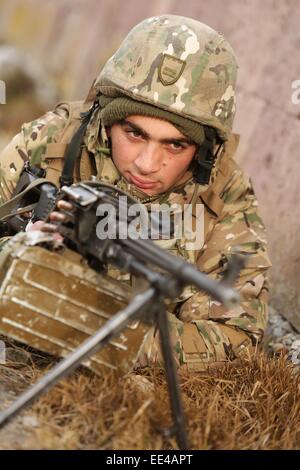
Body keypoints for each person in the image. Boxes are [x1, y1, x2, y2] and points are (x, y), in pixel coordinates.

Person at [0, 15, 272, 372]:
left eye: (175, 144)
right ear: (107, 119)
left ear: (204, 151)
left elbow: (237, 339)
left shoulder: (224, 197)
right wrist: (15, 256)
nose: (146, 163)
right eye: (134, 133)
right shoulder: (51, 142)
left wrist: (110, 330)